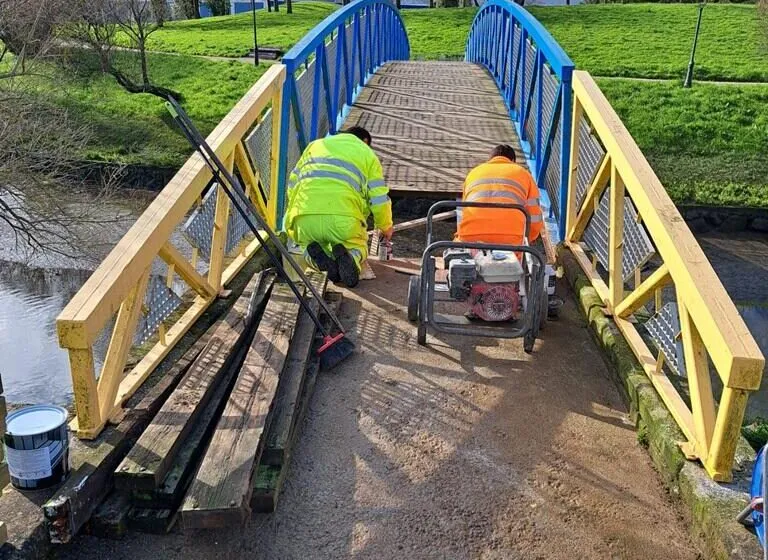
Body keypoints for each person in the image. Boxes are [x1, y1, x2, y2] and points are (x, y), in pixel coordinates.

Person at [283, 126, 393, 288]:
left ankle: (317, 261)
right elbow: (379, 199)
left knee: (307, 245)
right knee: (357, 247)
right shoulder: (367, 153)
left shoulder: (314, 146)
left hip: (304, 217)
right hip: (343, 221)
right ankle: (352, 259)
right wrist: (385, 226)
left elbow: (292, 186)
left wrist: (291, 223)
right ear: (364, 142)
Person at [455, 144, 543, 246]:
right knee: (516, 259)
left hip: (470, 237)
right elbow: (534, 216)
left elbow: (465, 209)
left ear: (490, 159)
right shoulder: (523, 173)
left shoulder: (473, 173)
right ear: (513, 160)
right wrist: (528, 238)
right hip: (512, 240)